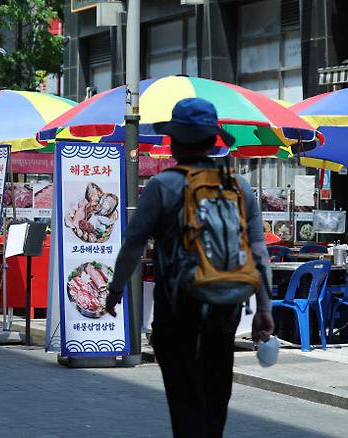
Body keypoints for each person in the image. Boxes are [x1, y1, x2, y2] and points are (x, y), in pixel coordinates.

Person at [106, 97, 274, 438]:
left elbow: (133, 245)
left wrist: (115, 289)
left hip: (177, 310)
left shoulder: (162, 186)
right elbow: (259, 252)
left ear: (175, 141)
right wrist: (264, 309)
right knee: (215, 398)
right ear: (214, 139)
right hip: (225, 307)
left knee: (186, 402)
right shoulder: (239, 188)